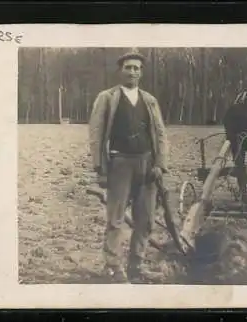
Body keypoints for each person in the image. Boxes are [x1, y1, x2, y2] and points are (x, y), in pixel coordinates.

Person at [88, 50, 169, 283]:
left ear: (141, 72)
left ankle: (137, 266)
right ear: (120, 70)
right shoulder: (107, 98)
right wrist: (99, 168)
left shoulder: (149, 100)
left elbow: (161, 134)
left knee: (145, 220)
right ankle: (113, 266)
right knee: (115, 219)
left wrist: (160, 164)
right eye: (128, 67)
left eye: (136, 68)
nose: (132, 71)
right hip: (119, 163)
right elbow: (96, 133)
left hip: (147, 165)